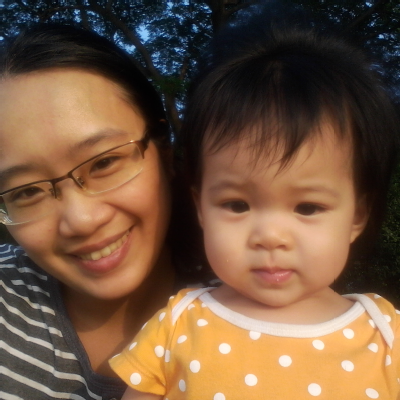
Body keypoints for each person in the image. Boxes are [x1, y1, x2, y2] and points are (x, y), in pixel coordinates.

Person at [109, 8, 400, 400]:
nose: (270, 237)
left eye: (308, 208)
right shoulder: (177, 324)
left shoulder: (386, 336)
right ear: (201, 207)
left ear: (357, 216)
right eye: (237, 205)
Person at [0, 24, 203, 399]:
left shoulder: (270, 305)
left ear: (164, 151)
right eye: (27, 191)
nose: (81, 220)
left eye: (104, 162)